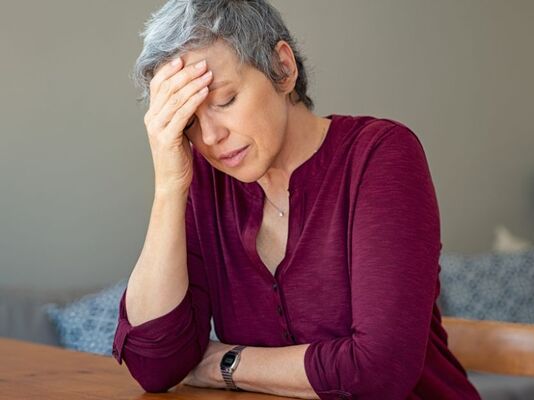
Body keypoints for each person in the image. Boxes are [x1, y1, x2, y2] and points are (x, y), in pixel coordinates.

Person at [111, 1, 481, 399]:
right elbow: (156, 368)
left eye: (224, 101)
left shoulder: (380, 156)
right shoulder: (204, 182)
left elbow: (379, 370)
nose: (212, 137)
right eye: (189, 122)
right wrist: (169, 186)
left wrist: (225, 365)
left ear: (283, 68)